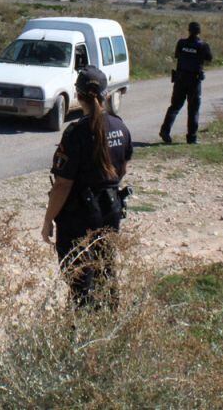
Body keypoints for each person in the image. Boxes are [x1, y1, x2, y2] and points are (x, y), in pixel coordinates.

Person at [42, 66, 133, 307]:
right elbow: (122, 168)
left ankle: (82, 331)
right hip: (110, 208)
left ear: (78, 95)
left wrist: (47, 221)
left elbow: (62, 185)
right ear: (105, 94)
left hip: (78, 215)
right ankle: (110, 321)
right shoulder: (120, 127)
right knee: (106, 268)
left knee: (79, 278)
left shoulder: (75, 132)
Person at [159, 21, 212, 144]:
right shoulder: (203, 45)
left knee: (175, 106)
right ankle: (191, 138)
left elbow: (177, 55)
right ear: (199, 32)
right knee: (193, 109)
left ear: (189, 30)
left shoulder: (181, 43)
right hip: (194, 80)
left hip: (180, 78)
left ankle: (165, 131)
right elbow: (209, 58)